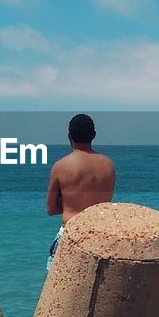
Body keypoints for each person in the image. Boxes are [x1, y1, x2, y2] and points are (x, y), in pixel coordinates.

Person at [46, 113, 115, 270]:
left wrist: (68, 202)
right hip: (100, 235)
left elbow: (51, 209)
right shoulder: (108, 165)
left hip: (71, 234)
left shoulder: (61, 166)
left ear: (69, 136)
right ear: (94, 135)